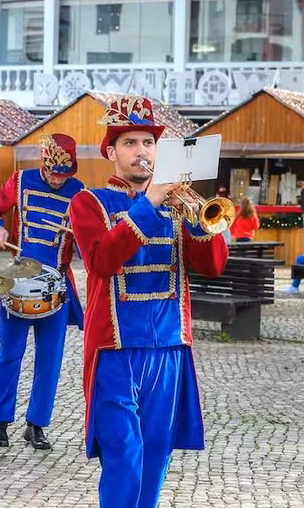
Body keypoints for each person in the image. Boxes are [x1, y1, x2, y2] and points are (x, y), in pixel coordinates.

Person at [69, 96, 229, 508]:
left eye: (148, 142)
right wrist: (150, 202)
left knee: (156, 455)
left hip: (170, 345)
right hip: (116, 349)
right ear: (111, 152)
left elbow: (213, 265)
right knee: (124, 456)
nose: (141, 151)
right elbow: (101, 261)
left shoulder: (178, 203)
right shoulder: (89, 202)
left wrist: (200, 221)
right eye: (129, 143)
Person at [0, 133, 85, 451]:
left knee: (50, 359)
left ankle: (37, 426)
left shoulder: (80, 193)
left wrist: (82, 237)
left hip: (56, 285)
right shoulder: (20, 180)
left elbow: (89, 239)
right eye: (52, 172)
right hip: (17, 282)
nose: (57, 179)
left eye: (63, 174)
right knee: (9, 355)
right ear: (43, 163)